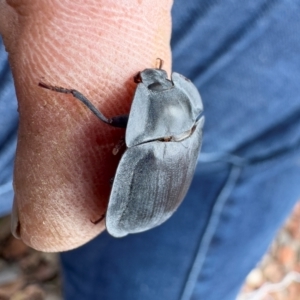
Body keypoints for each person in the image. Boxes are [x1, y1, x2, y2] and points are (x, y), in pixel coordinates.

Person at [1, 1, 300, 299]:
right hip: (153, 205)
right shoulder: (182, 126)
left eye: (158, 84)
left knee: (105, 125)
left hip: (139, 207)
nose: (152, 77)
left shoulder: (152, 138)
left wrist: (71, 93)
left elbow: (107, 120)